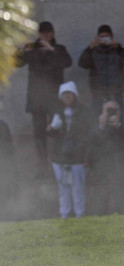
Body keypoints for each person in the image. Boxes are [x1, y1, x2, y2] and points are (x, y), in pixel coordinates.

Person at [15, 21, 72, 171]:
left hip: (54, 98)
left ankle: (58, 161)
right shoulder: (32, 49)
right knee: (39, 132)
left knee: (57, 129)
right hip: (37, 97)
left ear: (53, 33)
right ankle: (42, 165)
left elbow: (67, 62)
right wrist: (20, 51)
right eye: (42, 33)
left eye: (47, 33)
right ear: (39, 34)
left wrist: (52, 50)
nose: (45, 36)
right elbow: (16, 63)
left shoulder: (59, 49)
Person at [47, 81, 93, 218]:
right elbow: (52, 134)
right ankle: (64, 214)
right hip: (59, 156)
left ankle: (80, 214)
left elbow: (89, 133)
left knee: (78, 187)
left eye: (69, 93)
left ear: (75, 95)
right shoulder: (56, 110)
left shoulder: (83, 111)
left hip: (77, 156)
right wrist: (51, 129)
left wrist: (84, 152)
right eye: (64, 94)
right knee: (63, 187)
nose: (67, 96)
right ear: (60, 96)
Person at [89, 100, 124, 214]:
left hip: (121, 167)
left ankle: (123, 217)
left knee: (121, 199)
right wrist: (101, 127)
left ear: (119, 112)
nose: (110, 113)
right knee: (101, 200)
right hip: (101, 168)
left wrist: (118, 126)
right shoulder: (97, 128)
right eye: (107, 110)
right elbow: (92, 143)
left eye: (114, 110)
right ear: (102, 112)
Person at [78, 24, 124, 114]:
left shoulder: (117, 50)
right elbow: (82, 64)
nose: (104, 39)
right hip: (98, 93)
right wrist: (89, 48)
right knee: (97, 120)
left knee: (116, 121)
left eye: (107, 36)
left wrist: (119, 47)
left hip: (116, 93)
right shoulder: (93, 51)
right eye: (101, 37)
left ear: (111, 37)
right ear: (97, 38)